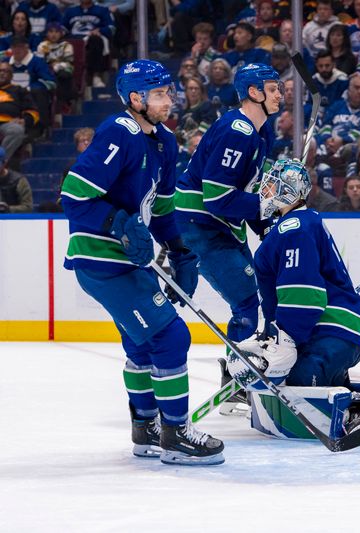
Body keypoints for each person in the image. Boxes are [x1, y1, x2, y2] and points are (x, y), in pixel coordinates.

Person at [59, 60, 224, 465]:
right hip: (101, 259)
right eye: (160, 94)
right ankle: (176, 433)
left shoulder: (165, 142)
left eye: (169, 92)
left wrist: (180, 249)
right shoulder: (121, 131)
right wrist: (116, 221)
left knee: (142, 340)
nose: (170, 99)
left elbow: (163, 209)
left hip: (129, 261)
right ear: (136, 98)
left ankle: (146, 427)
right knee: (170, 338)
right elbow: (74, 194)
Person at [174, 64, 282, 401]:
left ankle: (241, 374)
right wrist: (267, 207)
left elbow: (244, 193)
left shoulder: (257, 135)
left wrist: (268, 226)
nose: (280, 94)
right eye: (273, 88)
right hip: (202, 227)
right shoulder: (238, 131)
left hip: (219, 227)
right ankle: (238, 381)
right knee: (248, 300)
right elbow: (218, 197)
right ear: (254, 92)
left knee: (256, 296)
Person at [241, 158, 360, 388]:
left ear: (287, 191)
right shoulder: (297, 223)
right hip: (327, 334)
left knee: (297, 386)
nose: (264, 191)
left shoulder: (295, 228)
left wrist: (285, 338)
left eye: (271, 185)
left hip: (328, 334)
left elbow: (305, 295)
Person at [0, 147, 33, 213]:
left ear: (5, 162)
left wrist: (8, 209)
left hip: (13, 220)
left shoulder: (18, 181)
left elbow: (28, 207)